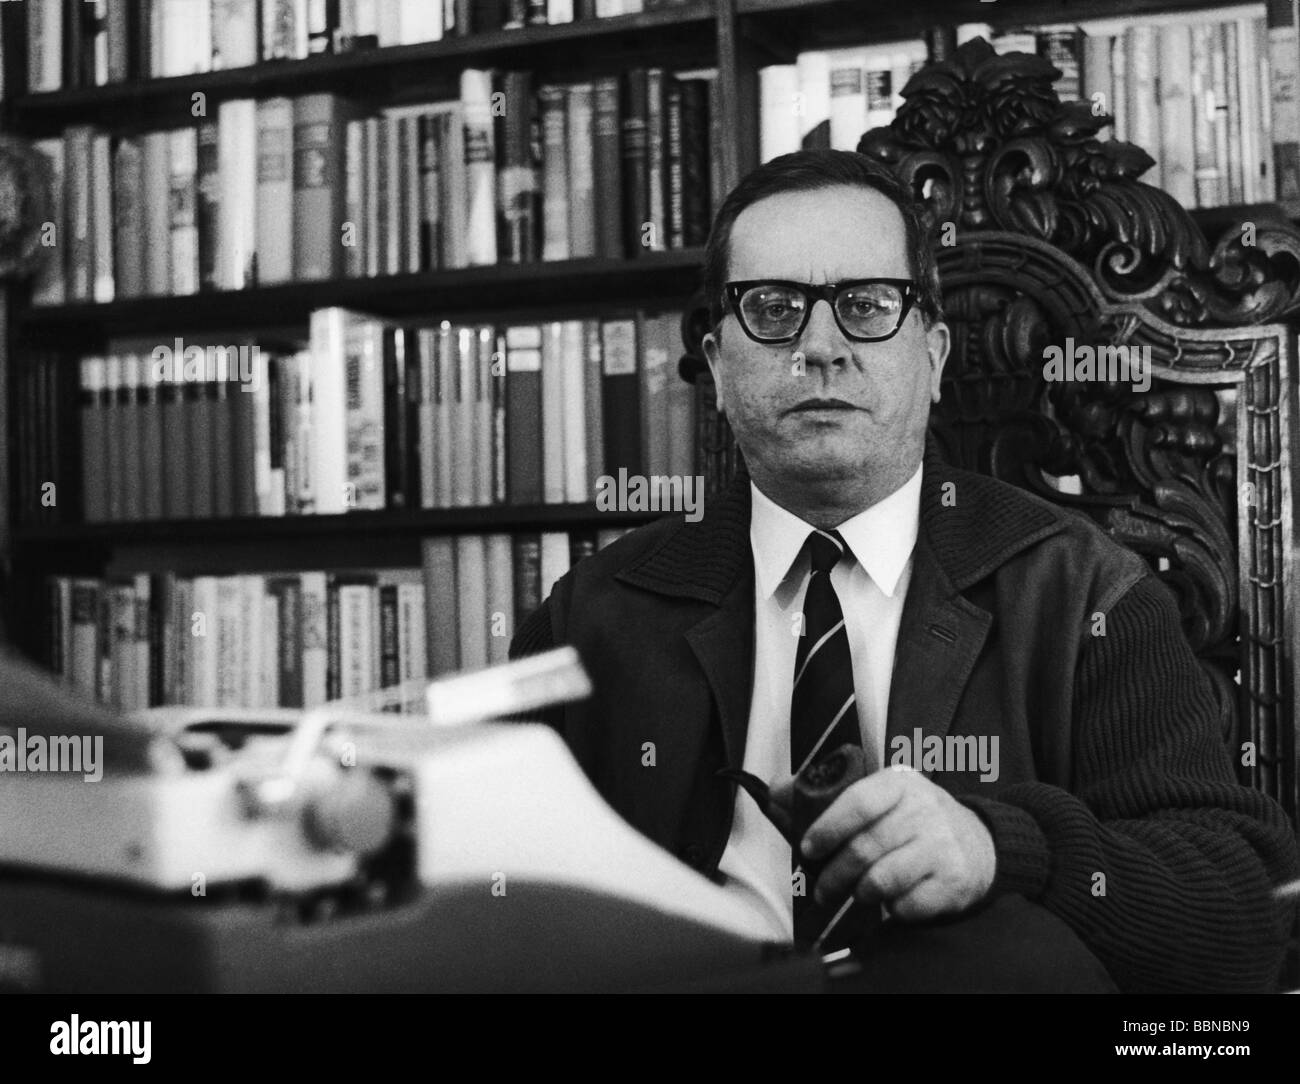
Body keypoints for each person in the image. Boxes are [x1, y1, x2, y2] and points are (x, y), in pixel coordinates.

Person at [509, 149, 1300, 993]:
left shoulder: (1086, 596)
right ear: (719, 363)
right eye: (773, 309)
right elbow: (493, 900)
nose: (820, 348)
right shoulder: (591, 614)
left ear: (933, 355)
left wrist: (1004, 848)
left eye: (867, 306)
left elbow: (1241, 911)